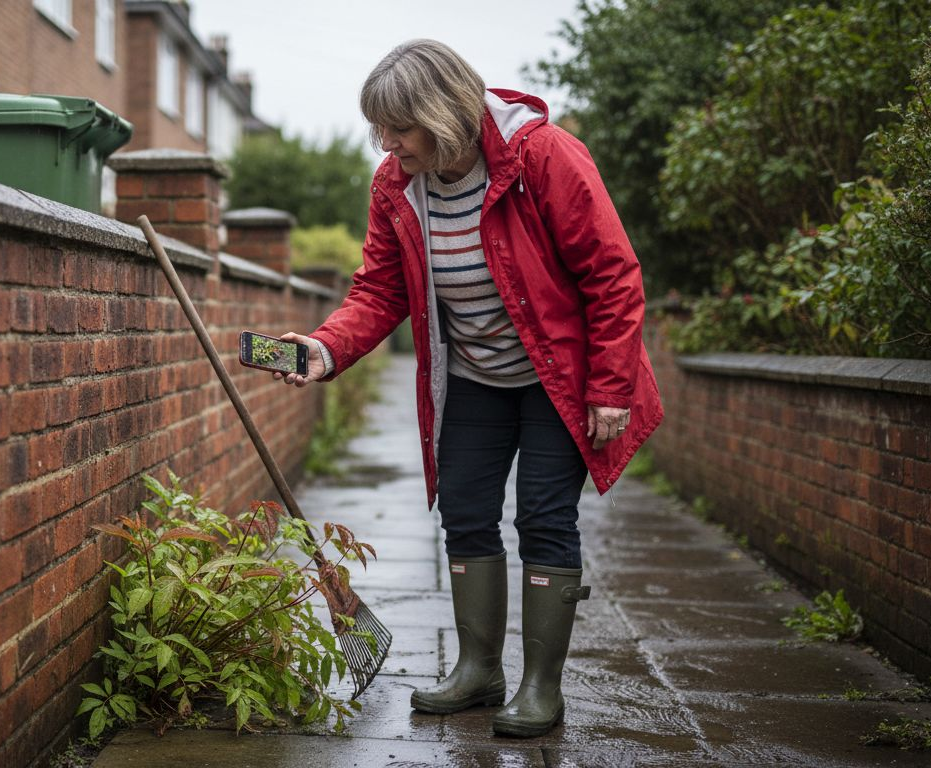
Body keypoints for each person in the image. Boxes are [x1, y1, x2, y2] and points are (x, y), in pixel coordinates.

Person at [272, 39, 664, 738]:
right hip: (475, 377)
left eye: (399, 127)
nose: (385, 143)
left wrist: (612, 386)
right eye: (379, 128)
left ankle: (542, 686)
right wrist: (325, 348)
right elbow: (380, 288)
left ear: (443, 113)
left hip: (557, 378)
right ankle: (479, 669)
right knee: (465, 510)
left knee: (544, 516)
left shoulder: (542, 158)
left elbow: (613, 274)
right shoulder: (397, 184)